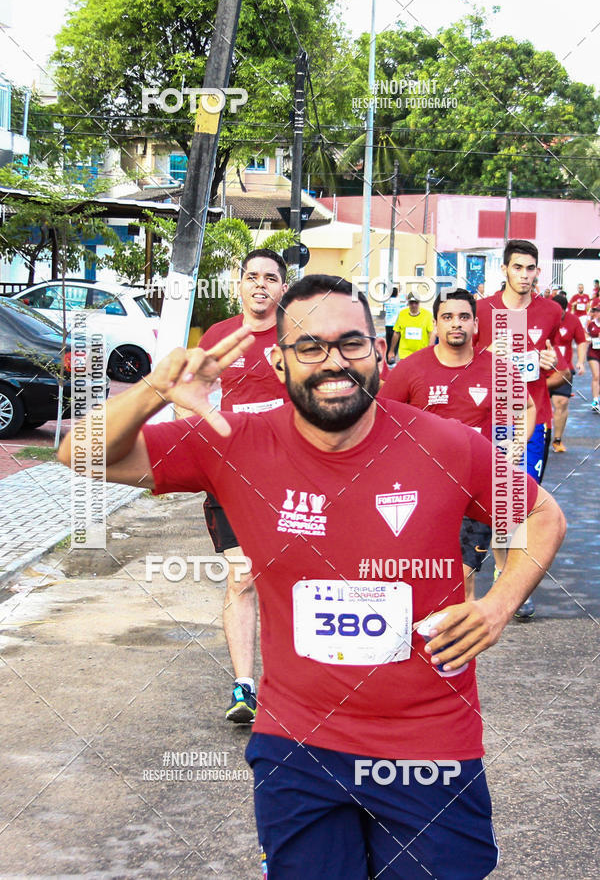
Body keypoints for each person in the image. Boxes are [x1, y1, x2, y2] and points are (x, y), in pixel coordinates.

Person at [58, 275, 566, 879]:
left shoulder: (445, 445)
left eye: (352, 343)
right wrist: (153, 391)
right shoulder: (230, 442)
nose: (334, 362)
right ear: (278, 361)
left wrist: (498, 605)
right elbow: (78, 453)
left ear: (380, 352)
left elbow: (541, 513)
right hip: (299, 746)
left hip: (429, 747)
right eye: (310, 347)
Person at [382, 288, 535, 602]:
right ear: (435, 325)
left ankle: (460, 651)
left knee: (462, 576)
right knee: (423, 575)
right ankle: (424, 643)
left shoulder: (497, 367)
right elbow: (381, 417)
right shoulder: (412, 369)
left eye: (464, 317)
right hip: (423, 491)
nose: (456, 324)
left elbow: (527, 407)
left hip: (476, 489)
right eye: (447, 317)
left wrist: (516, 445)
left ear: (476, 324)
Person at [198, 248, 289, 722]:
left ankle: (294, 685)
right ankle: (244, 688)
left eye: (269, 278)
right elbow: (190, 401)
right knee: (243, 576)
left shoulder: (298, 337)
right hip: (229, 476)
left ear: (282, 288)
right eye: (251, 277)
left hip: (289, 477)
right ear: (239, 284)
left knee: (290, 576)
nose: (260, 285)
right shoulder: (218, 337)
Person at [475, 240, 561, 618]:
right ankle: (504, 572)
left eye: (530, 269)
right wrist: (485, 356)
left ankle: (514, 580)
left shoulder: (551, 311)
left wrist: (550, 363)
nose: (524, 275)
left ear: (538, 271)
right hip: (492, 417)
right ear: (504, 269)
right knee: (499, 501)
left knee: (522, 503)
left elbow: (560, 375)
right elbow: (457, 361)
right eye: (517, 268)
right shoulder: (482, 311)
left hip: (533, 418)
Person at [547, 294, 586, 452]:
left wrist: (581, 362)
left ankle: (557, 440)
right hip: (543, 370)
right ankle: (535, 437)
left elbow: (581, 341)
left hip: (564, 370)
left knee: (561, 403)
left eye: (561, 312)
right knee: (536, 405)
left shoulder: (573, 320)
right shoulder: (544, 319)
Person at [387, 292, 435, 362]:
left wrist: (430, 351)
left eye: (416, 302)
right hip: (405, 354)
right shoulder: (402, 314)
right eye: (411, 302)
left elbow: (431, 334)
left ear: (419, 302)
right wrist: (391, 351)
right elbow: (396, 333)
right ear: (408, 302)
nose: (414, 305)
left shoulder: (427, 315)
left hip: (421, 354)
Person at [586, 303, 600, 412]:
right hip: (593, 353)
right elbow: (586, 336)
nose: (596, 313)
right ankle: (595, 400)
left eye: (598, 311)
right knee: (596, 375)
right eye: (595, 311)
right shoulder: (591, 324)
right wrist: (592, 339)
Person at [383, 287, 402, 359]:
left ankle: (388, 358)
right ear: (397, 293)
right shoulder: (398, 301)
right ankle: (392, 357)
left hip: (387, 324)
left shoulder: (387, 301)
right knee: (395, 343)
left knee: (388, 342)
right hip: (395, 324)